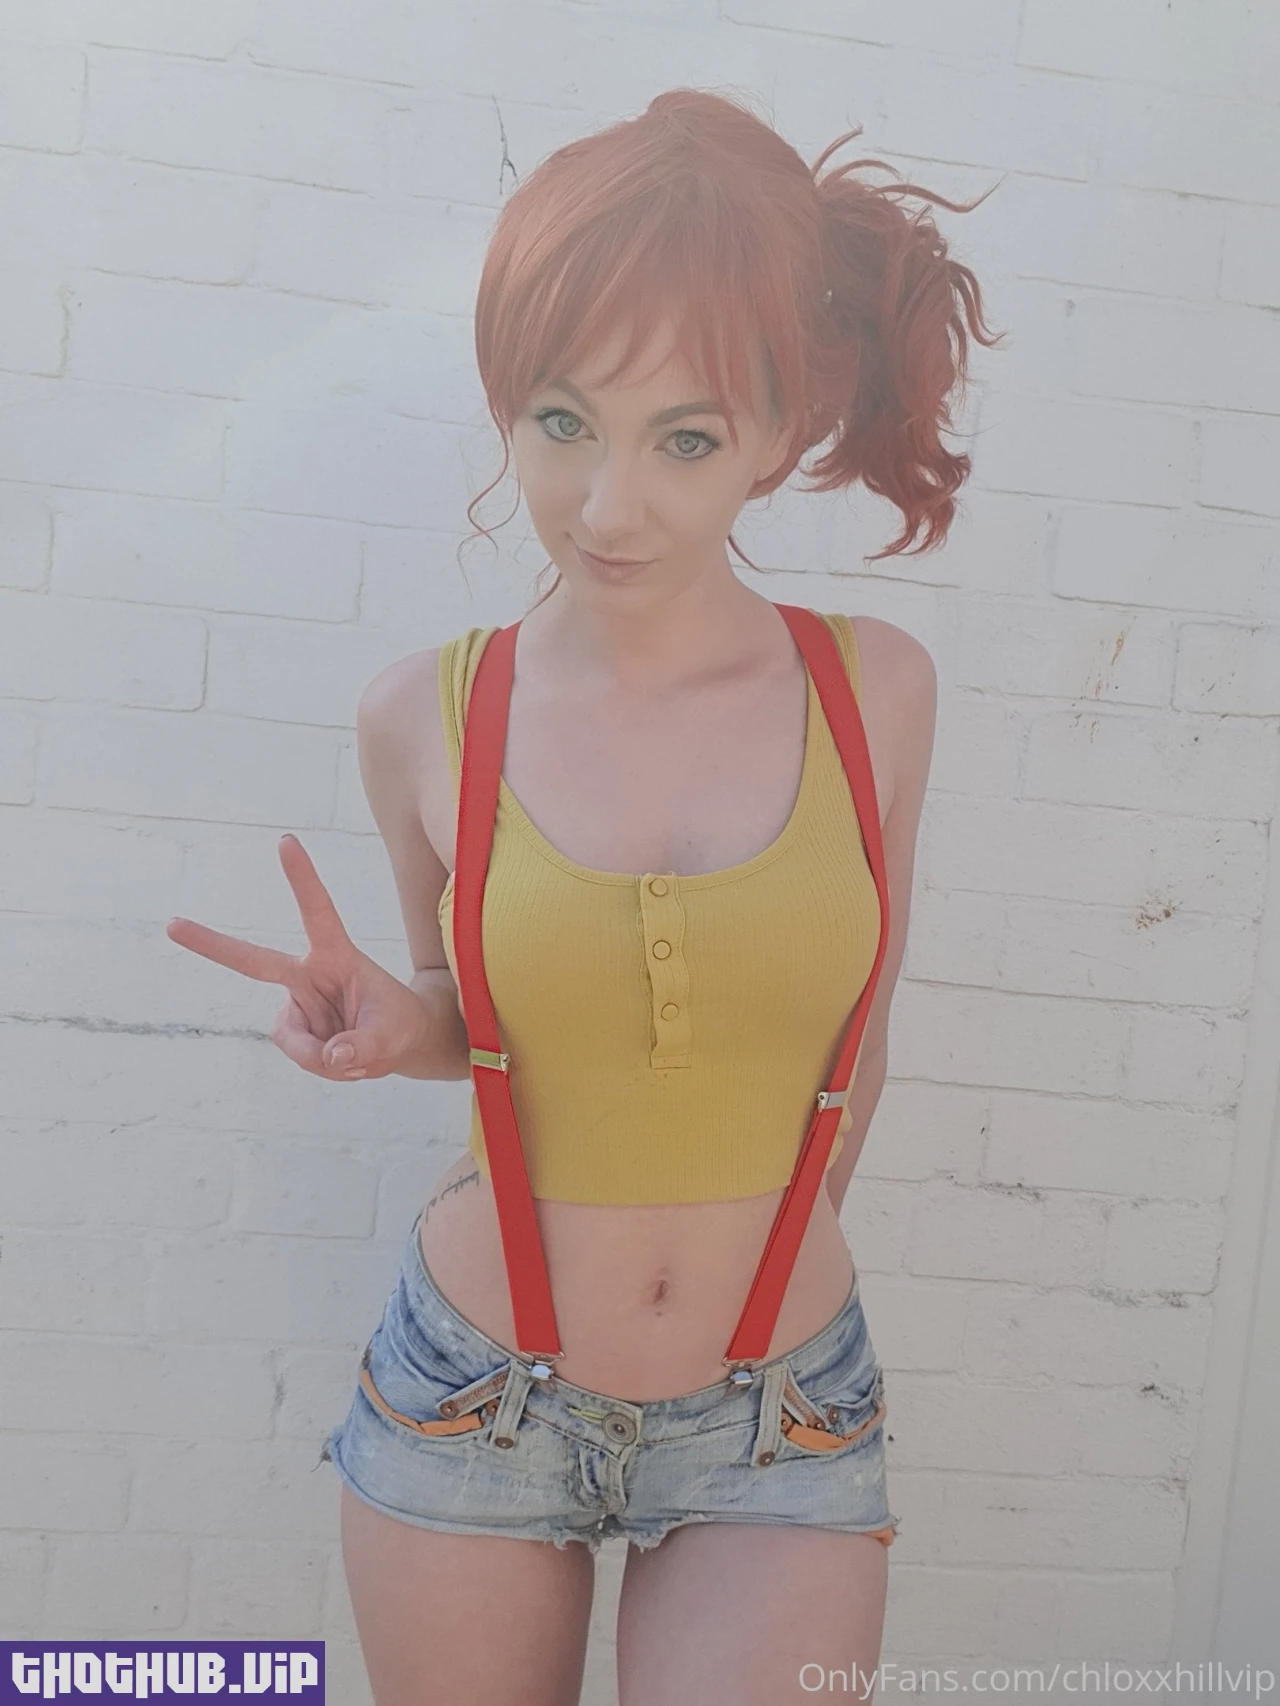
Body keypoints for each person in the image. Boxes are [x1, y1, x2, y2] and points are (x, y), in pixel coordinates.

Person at [168, 87, 998, 1706]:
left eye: (685, 438)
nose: (609, 505)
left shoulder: (875, 694)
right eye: (562, 421)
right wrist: (399, 1022)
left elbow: (866, 1039)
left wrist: (747, 1275)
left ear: (781, 434)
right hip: (474, 1400)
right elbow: (483, 1024)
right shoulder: (425, 715)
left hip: (780, 1410)